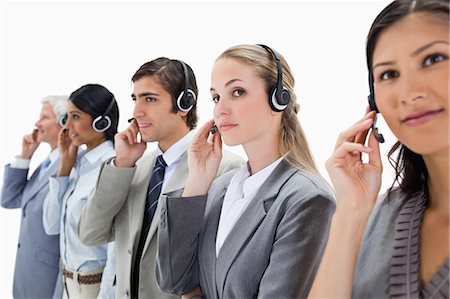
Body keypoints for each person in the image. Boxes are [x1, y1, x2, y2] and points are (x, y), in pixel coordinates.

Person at [155, 44, 336, 299]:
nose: (220, 110)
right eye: (216, 97)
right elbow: (174, 282)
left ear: (278, 98)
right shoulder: (220, 187)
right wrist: (196, 182)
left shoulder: (308, 200)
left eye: (237, 92)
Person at [308, 0, 449, 298]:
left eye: (433, 59)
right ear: (374, 101)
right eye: (388, 74)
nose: (409, 93)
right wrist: (351, 212)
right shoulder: (381, 214)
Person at [78, 58, 243, 299]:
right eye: (135, 99)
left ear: (184, 103)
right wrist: (121, 165)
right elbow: (90, 234)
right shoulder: (134, 168)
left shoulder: (226, 169)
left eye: (150, 99)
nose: (136, 112)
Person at [43, 84, 119, 299]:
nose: (66, 126)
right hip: (67, 284)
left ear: (101, 121)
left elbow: (115, 249)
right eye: (66, 117)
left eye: (75, 117)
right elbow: (50, 225)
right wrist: (64, 170)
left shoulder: (113, 167)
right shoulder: (77, 164)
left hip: (94, 289)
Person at [1, 95, 68, 299]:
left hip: (48, 280)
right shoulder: (47, 163)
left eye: (44, 117)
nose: (37, 124)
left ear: (64, 122)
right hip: (28, 275)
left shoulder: (71, 164)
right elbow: (9, 199)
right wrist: (25, 156)